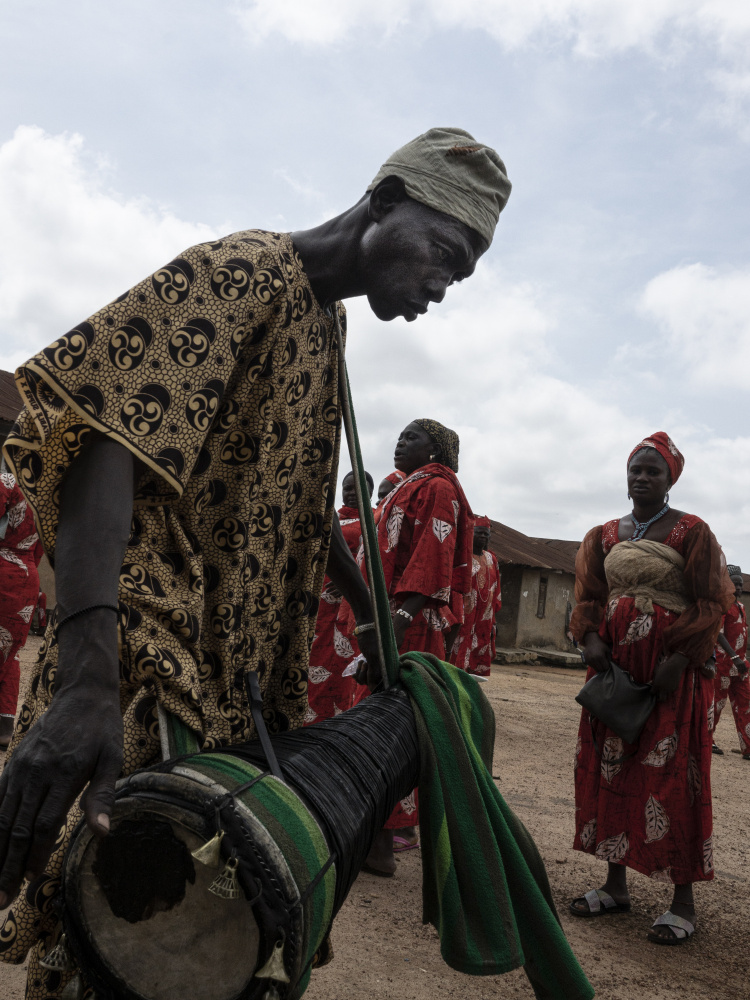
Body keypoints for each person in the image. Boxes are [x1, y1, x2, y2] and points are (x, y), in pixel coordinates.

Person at [0, 126, 511, 993]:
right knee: (115, 941)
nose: (441, 285)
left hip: (234, 682)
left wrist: (374, 624)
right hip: (144, 670)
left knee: (194, 946)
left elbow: (299, 502)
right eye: (443, 252)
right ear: (385, 201)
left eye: (458, 276)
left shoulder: (329, 328)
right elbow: (106, 441)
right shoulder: (240, 272)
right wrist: (88, 679)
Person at [568, 433, 733, 945]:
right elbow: (590, 594)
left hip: (671, 675)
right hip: (613, 670)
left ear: (670, 479)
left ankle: (682, 901)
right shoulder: (604, 534)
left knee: (673, 777)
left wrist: (679, 659)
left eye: (653, 471)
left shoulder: (693, 532)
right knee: (611, 768)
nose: (641, 477)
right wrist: (591, 638)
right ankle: (615, 886)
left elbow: (713, 601)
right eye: (635, 469)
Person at [359, 418, 473, 875]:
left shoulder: (440, 488)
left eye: (413, 437)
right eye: (400, 435)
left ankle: (384, 845)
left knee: (394, 725)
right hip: (391, 616)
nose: (401, 443)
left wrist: (398, 621)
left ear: (437, 449)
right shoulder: (411, 485)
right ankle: (374, 835)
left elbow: (432, 558)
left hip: (408, 623)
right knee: (376, 722)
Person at [305, 470, 374, 723]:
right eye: (347, 488)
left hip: (348, 608)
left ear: (370, 492)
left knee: (341, 664)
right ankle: (310, 718)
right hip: (318, 606)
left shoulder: (374, 521)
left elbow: (377, 565)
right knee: (315, 661)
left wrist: (352, 579)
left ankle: (337, 720)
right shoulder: (329, 515)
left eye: (359, 488)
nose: (352, 493)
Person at [0, 467, 41, 749]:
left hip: (2, 570)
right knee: (9, 654)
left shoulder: (6, 481)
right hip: (27, 576)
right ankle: (4, 729)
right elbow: (41, 549)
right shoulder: (44, 490)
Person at [450, 515, 501, 679]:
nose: (483, 537)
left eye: (486, 534)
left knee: (478, 651)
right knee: (459, 650)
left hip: (484, 618)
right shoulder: (462, 557)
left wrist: (494, 621)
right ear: (470, 533)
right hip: (464, 615)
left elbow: (496, 589)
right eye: (479, 532)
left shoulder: (491, 559)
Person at [711, 565, 750, 758]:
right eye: (736, 584)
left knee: (745, 705)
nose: (740, 588)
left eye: (741, 585)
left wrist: (740, 659)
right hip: (725, 664)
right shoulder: (722, 606)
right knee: (717, 704)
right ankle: (707, 740)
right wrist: (734, 656)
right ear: (728, 585)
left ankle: (748, 747)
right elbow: (718, 634)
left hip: (741, 667)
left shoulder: (741, 607)